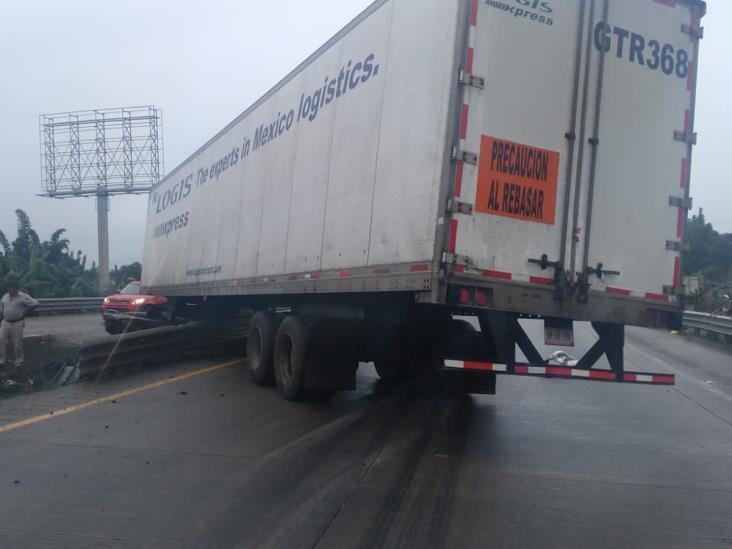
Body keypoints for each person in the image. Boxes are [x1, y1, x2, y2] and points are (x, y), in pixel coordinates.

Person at [0, 276, 39, 372]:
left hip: (17, 323)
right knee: (1, 341)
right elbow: (2, 308)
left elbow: (36, 303)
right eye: (9, 288)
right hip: (5, 322)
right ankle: (2, 361)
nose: (11, 290)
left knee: (17, 344)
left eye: (13, 288)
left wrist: (26, 312)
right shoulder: (5, 296)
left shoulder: (23, 296)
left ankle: (19, 362)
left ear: (17, 288)